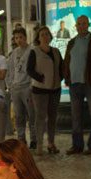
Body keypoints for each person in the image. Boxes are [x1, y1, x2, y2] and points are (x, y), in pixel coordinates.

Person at [64, 15, 91, 155]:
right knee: (75, 116)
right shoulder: (71, 42)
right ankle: (77, 145)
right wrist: (67, 77)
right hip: (74, 84)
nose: (81, 26)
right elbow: (67, 61)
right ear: (75, 26)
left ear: (88, 25)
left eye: (84, 23)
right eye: (79, 24)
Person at [27, 26, 63, 156]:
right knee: (40, 117)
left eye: (47, 34)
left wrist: (60, 78)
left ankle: (51, 143)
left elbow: (61, 67)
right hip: (40, 90)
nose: (45, 36)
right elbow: (29, 69)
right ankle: (40, 144)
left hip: (55, 89)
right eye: (42, 34)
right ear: (38, 38)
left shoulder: (56, 51)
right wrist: (40, 78)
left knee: (53, 117)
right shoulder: (35, 52)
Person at [7, 27, 37, 149]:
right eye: (16, 38)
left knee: (31, 115)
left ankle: (34, 139)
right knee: (19, 116)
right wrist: (10, 85)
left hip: (27, 87)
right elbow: (10, 70)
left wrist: (31, 85)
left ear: (25, 37)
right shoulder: (14, 53)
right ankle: (21, 139)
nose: (18, 40)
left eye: (20, 37)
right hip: (16, 88)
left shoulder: (32, 50)